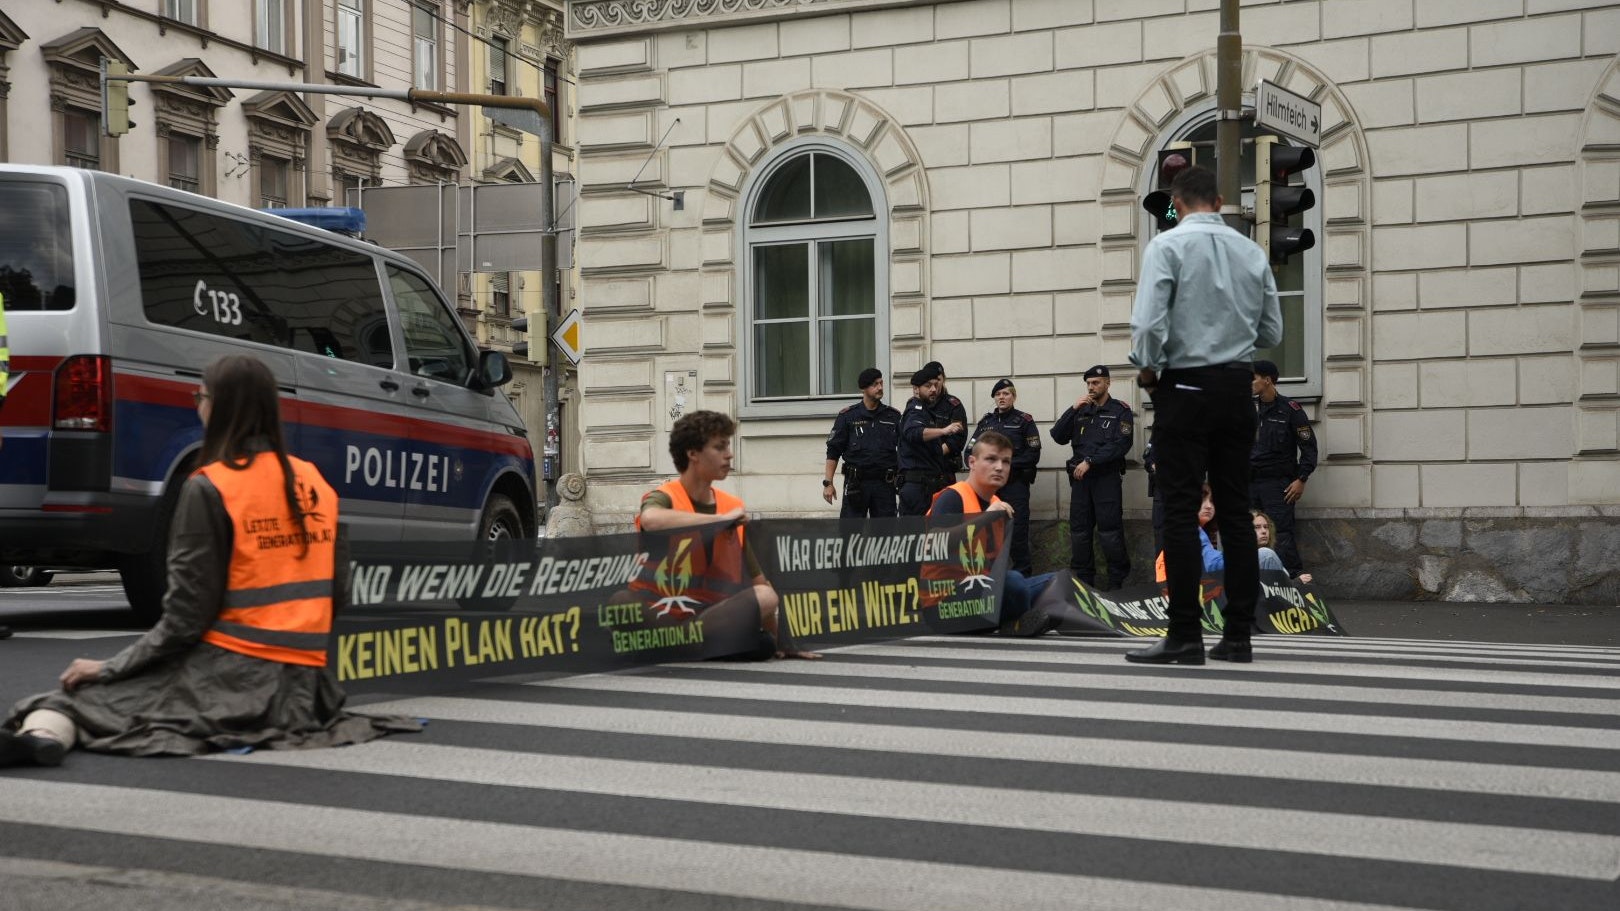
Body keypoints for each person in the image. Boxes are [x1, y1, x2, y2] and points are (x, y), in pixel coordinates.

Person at [0, 354, 420, 767]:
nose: (197, 406)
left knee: (68, 699)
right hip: (309, 688)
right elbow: (337, 592)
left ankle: (41, 740)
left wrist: (110, 667)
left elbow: (185, 618)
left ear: (219, 408)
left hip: (233, 678)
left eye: (199, 397)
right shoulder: (314, 481)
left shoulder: (212, 487)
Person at [1125, 164, 1284, 666]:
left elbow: (1147, 327)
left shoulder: (1166, 246)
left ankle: (1185, 634)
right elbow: (1272, 331)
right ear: (1218, 202)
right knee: (1236, 512)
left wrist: (1149, 374)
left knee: (1179, 510)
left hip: (1184, 387)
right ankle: (1238, 636)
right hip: (1236, 389)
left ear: (1177, 203)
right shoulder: (1250, 251)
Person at [636, 410, 818, 660]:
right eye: (719, 447)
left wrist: (781, 643)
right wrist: (718, 521)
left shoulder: (730, 505)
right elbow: (650, 519)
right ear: (693, 454)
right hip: (660, 612)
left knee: (766, 600)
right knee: (620, 601)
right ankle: (692, 644)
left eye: (728, 446)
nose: (729, 454)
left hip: (710, 615)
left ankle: (685, 643)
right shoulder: (665, 496)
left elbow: (759, 583)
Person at [926, 431, 1057, 637]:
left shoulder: (996, 502)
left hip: (983, 590)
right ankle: (1016, 620)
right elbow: (933, 545)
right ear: (972, 462)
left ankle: (1020, 618)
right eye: (991, 459)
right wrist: (984, 519)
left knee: (1058, 581)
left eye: (1006, 461)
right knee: (1014, 582)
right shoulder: (953, 496)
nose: (999, 467)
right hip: (946, 603)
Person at [1050, 365, 1133, 590]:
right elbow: (1057, 436)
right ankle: (1084, 583)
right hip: (1081, 482)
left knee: (1110, 532)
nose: (1091, 387)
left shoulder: (1120, 411)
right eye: (1088, 383)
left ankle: (1117, 583)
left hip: (1106, 479)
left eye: (1095, 383)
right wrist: (1072, 409)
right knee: (1080, 532)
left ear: (1107, 383)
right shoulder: (1081, 410)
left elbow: (1121, 444)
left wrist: (1090, 461)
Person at [1250, 359, 1317, 579]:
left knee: (1281, 534)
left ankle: (1292, 582)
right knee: (1248, 533)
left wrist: (1301, 479)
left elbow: (1309, 448)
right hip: (1249, 483)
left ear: (1267, 380)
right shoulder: (1247, 409)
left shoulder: (1290, 410)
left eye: (1253, 378)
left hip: (1278, 485)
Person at [971, 378, 1041, 573]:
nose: (1001, 397)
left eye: (1006, 394)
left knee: (1018, 535)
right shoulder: (986, 423)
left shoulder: (1024, 421)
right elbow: (970, 451)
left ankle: (1023, 579)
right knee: (987, 536)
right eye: (998, 394)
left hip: (1015, 486)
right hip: (989, 490)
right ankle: (990, 580)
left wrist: (1004, 465)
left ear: (1013, 397)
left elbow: (1033, 454)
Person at [823, 367, 902, 518]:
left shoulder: (893, 416)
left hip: (884, 484)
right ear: (863, 388)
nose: (880, 387)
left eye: (881, 383)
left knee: (885, 530)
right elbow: (833, 450)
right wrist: (828, 483)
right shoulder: (848, 416)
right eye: (875, 384)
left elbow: (904, 448)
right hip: (856, 483)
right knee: (851, 530)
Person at [898, 364, 964, 516]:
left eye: (935, 385)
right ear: (916, 389)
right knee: (915, 529)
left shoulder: (926, 411)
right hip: (918, 487)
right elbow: (914, 432)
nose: (933, 389)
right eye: (928, 386)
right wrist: (944, 430)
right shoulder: (915, 409)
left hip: (930, 483)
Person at [924, 361, 969, 474]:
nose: (934, 385)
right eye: (930, 381)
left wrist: (934, 455)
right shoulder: (916, 404)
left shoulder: (953, 405)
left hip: (944, 469)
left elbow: (958, 439)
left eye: (938, 380)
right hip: (920, 469)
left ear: (943, 379)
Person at [1252, 509, 1309, 582]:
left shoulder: (1269, 555)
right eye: (1257, 527)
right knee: (1265, 553)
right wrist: (1296, 582)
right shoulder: (1266, 554)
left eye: (1266, 527)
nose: (1264, 531)